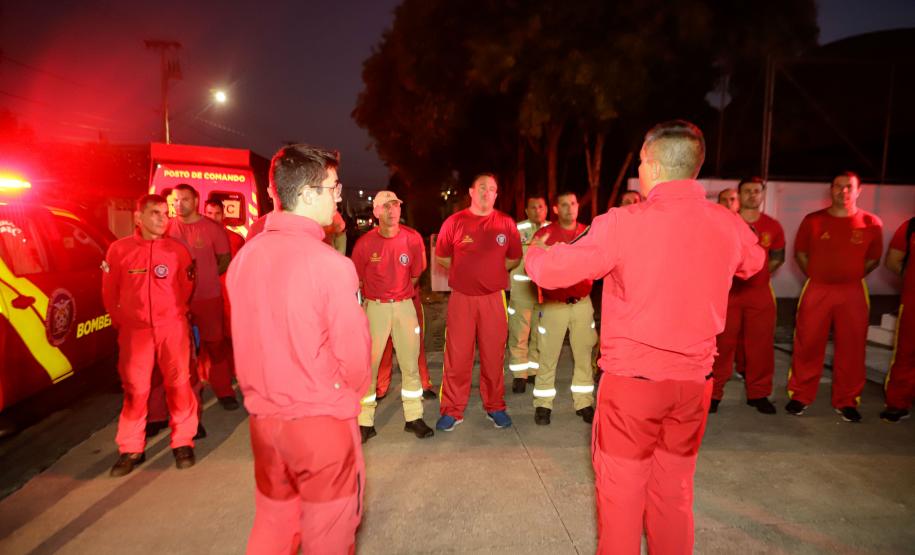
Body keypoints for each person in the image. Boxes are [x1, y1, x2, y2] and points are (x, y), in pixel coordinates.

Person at [526, 120, 764, 553]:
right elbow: (755, 262)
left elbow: (550, 271)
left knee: (621, 503)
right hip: (693, 388)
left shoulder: (622, 222)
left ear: (651, 165)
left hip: (633, 391)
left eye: (639, 160)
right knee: (673, 497)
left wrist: (536, 249)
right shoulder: (726, 223)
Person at [227, 144, 370, 554]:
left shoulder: (245, 258)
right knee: (329, 533)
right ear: (307, 195)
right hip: (319, 424)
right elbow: (355, 356)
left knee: (274, 525)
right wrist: (347, 394)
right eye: (332, 187)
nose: (337, 196)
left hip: (264, 424)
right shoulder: (330, 265)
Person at [102, 194, 199, 476]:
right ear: (138, 217)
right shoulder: (119, 251)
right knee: (136, 390)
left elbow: (186, 287)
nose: (162, 218)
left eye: (165, 213)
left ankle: (183, 441)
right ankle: (131, 448)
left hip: (172, 328)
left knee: (179, 384)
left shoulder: (177, 251)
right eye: (155, 213)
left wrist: (173, 314)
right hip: (136, 332)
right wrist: (126, 321)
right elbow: (109, 293)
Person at [788, 172, 883, 422]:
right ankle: (800, 395)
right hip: (818, 288)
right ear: (830, 189)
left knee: (852, 346)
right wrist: (819, 276)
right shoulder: (813, 221)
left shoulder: (871, 223)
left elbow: (874, 259)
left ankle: (847, 400)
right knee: (808, 342)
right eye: (838, 187)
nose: (843, 192)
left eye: (849, 187)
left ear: (858, 191)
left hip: (852, 291)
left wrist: (849, 275)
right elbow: (801, 254)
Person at [434, 173, 522, 431]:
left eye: (492, 189)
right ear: (471, 192)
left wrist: (490, 273)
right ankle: (452, 410)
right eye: (482, 187)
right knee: (457, 357)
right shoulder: (454, 222)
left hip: (493, 299)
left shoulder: (506, 223)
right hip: (462, 299)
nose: (487, 192)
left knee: (493, 356)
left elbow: (513, 259)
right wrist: (466, 273)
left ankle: (495, 406)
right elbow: (443, 258)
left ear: (496, 194)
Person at [351, 190, 434, 442]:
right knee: (370, 364)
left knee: (410, 363)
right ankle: (365, 421)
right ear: (376, 212)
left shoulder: (412, 238)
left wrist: (400, 293)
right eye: (386, 206)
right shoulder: (365, 243)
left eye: (395, 205)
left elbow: (416, 273)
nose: (392, 210)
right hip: (375, 307)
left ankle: (414, 417)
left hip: (404, 306)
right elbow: (359, 279)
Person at [710, 177, 785, 414]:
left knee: (760, 346)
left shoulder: (773, 226)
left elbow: (778, 257)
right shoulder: (725, 223)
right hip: (729, 294)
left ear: (762, 195)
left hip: (759, 294)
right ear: (739, 196)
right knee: (722, 345)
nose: (752, 195)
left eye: (756, 191)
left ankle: (758, 393)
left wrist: (758, 275)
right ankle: (713, 394)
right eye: (747, 191)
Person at [530, 191, 597, 425]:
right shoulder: (545, 234)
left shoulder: (589, 233)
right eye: (564, 205)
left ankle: (584, 402)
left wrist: (557, 254)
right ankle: (543, 405)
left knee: (583, 354)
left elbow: (595, 262)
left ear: (578, 206)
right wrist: (549, 251)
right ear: (556, 209)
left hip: (581, 303)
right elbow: (536, 265)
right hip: (553, 305)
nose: (570, 208)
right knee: (547, 355)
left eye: (573, 203)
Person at [167, 184, 237, 410]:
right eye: (176, 200)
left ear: (196, 201)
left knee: (215, 346)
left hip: (208, 297)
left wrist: (205, 276)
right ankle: (188, 400)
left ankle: (224, 390)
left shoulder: (212, 229)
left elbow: (224, 259)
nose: (179, 204)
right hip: (177, 301)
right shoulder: (167, 228)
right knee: (183, 351)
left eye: (184, 199)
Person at [508, 195, 549, 393]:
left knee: (540, 333)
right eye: (532, 207)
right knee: (519, 333)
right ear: (526, 211)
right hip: (522, 289)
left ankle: (534, 370)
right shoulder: (516, 230)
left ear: (547, 209)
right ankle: (519, 375)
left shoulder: (553, 230)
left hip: (545, 291)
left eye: (540, 207)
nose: (537, 211)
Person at [882, 217, 915, 422]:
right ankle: (897, 403)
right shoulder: (911, 225)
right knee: (905, 353)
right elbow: (893, 261)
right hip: (912, 303)